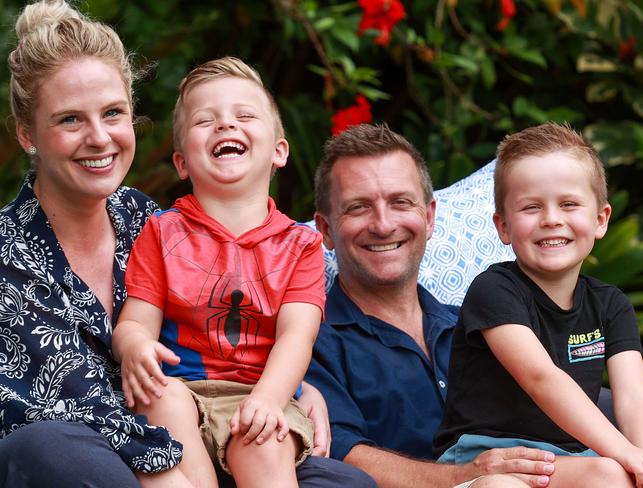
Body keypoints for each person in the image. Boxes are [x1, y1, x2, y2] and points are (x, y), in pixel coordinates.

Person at [0, 2, 375, 487]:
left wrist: (291, 388)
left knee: (349, 483)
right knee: (48, 449)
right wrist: (167, 468)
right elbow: (70, 402)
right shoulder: (10, 254)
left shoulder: (150, 220)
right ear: (27, 134)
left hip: (210, 434)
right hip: (106, 449)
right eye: (70, 120)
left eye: (113, 113)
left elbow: (242, 334)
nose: (99, 137)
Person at [306, 123, 557, 488]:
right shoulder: (309, 340)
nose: (383, 224)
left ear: (428, 217)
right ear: (325, 230)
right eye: (358, 207)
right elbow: (342, 453)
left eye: (400, 202)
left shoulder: (478, 325)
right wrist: (462, 478)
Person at [112, 57, 324, 488]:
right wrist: (134, 346)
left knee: (261, 442)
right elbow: (136, 320)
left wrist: (267, 399)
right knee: (159, 398)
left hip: (259, 391)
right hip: (182, 389)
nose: (226, 126)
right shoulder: (162, 232)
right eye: (205, 121)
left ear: (279, 151)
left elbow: (296, 336)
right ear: (182, 162)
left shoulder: (300, 245)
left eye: (244, 115)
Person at [432, 122, 643, 487]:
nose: (551, 219)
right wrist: (621, 450)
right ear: (503, 226)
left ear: (600, 220)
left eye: (569, 204)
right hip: (485, 459)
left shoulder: (610, 304)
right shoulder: (494, 290)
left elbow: (633, 396)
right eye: (531, 207)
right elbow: (541, 379)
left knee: (611, 475)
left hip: (571, 459)